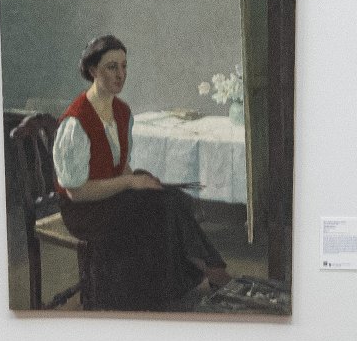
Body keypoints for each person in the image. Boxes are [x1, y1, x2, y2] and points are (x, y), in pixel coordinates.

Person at [52, 33, 230, 309]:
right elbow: (76, 192)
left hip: (108, 197)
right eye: (112, 67)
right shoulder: (75, 122)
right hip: (84, 210)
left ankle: (186, 278)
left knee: (164, 195)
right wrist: (130, 183)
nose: (120, 74)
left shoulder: (122, 112)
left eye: (124, 66)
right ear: (93, 70)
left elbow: (120, 165)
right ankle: (208, 269)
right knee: (159, 204)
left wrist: (138, 180)